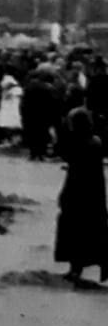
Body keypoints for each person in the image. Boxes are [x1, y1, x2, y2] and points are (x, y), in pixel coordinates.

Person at [55, 104, 108, 285]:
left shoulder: (80, 144)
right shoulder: (94, 142)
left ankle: (76, 268)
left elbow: (74, 170)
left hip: (77, 194)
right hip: (93, 195)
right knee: (90, 232)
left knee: (74, 230)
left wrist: (64, 194)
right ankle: (82, 267)